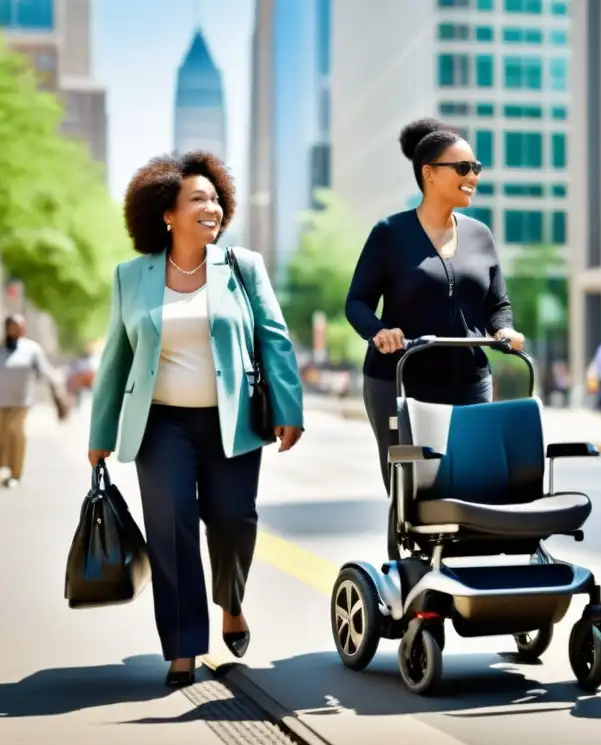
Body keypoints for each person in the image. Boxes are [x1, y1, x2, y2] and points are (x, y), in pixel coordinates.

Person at [87, 151, 304, 688]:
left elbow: (273, 339)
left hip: (232, 423)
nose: (211, 208)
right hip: (160, 426)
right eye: (197, 200)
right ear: (167, 212)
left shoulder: (242, 267)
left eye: (215, 199)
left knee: (234, 519)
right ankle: (182, 648)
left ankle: (231, 602)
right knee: (173, 525)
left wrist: (288, 407)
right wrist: (100, 434)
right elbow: (116, 358)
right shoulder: (131, 277)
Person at [346, 117, 525, 490]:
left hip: (469, 379)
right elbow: (357, 302)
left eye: (476, 167)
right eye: (463, 167)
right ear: (429, 173)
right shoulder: (389, 234)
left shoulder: (480, 235)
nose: (473, 175)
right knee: (410, 492)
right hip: (400, 379)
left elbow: (497, 303)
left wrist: (503, 328)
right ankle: (406, 550)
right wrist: (380, 331)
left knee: (472, 484)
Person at [0, 314, 66, 488]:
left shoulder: (32, 349)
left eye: (21, 326)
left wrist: (58, 396)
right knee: (3, 436)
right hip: (1, 401)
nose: (19, 329)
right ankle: (4, 467)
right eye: (14, 326)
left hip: (22, 401)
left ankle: (16, 474)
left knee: (16, 431)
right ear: (7, 328)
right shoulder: (1, 348)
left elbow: (46, 371)